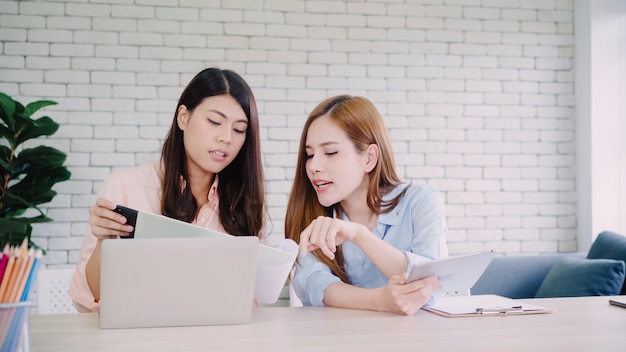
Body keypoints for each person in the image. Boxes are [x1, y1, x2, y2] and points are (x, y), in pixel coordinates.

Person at [69, 68, 265, 313]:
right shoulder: (124, 187)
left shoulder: (242, 201)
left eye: (239, 129)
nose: (227, 137)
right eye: (214, 121)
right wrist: (103, 243)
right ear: (183, 117)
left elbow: (249, 302)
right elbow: (88, 300)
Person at [285, 95, 449, 315]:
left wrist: (360, 235)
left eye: (331, 152)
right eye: (309, 154)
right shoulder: (312, 214)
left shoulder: (421, 201)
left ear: (369, 158)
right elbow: (312, 284)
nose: (313, 166)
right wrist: (380, 300)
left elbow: (433, 283)